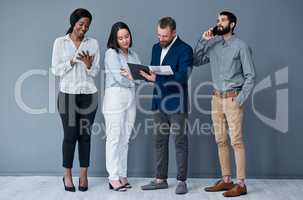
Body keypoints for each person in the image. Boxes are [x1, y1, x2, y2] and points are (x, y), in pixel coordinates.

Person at [193, 11, 256, 197]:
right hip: (216, 100)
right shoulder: (214, 48)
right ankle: (227, 181)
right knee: (220, 140)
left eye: (222, 20)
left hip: (232, 99)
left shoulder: (241, 46)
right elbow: (195, 61)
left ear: (233, 24)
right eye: (217, 21)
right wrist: (204, 40)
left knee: (236, 141)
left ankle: (241, 184)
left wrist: (239, 99)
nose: (218, 23)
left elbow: (250, 76)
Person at [140, 17, 193, 195]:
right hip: (158, 102)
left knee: (180, 142)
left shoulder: (185, 49)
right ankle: (160, 179)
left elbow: (182, 77)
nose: (161, 39)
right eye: (159, 35)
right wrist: (143, 75)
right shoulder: (156, 47)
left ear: (174, 33)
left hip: (177, 104)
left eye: (164, 36)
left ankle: (181, 181)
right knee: (159, 142)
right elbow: (153, 72)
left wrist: (158, 78)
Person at [51, 8, 100, 192]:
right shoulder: (60, 43)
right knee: (70, 136)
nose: (84, 28)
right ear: (73, 23)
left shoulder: (93, 43)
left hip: (89, 95)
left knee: (85, 136)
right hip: (67, 95)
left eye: (87, 25)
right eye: (81, 24)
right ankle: (67, 176)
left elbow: (95, 71)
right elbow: (55, 70)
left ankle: (84, 176)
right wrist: (72, 61)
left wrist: (88, 65)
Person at [102, 22, 141, 192]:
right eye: (120, 38)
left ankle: (122, 175)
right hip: (115, 97)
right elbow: (119, 78)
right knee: (114, 138)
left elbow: (142, 77)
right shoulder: (111, 53)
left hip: (130, 97)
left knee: (125, 139)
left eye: (126, 36)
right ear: (115, 39)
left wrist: (132, 76)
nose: (124, 40)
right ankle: (113, 177)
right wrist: (133, 77)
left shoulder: (133, 55)